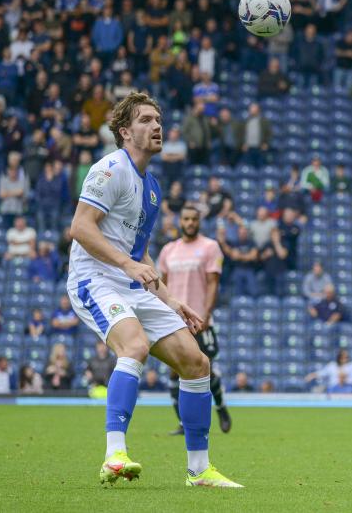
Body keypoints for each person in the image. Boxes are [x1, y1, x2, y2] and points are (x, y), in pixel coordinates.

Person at [66, 92, 240, 486]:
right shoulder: (109, 169)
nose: (157, 126)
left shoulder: (153, 188)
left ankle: (199, 471)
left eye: (158, 119)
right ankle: (114, 455)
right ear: (125, 131)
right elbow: (80, 227)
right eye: (146, 120)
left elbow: (140, 255)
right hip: (93, 279)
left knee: (197, 364)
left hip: (130, 282)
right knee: (136, 346)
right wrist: (127, 265)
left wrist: (172, 299)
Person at [158, 205, 232, 435]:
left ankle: (220, 408)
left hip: (200, 318)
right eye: (186, 219)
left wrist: (207, 313)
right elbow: (162, 285)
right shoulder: (168, 250)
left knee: (204, 368)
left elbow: (213, 283)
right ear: (180, 221)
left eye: (194, 219)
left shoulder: (210, 247)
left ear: (199, 221)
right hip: (174, 320)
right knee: (174, 371)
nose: (190, 222)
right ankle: (183, 422)